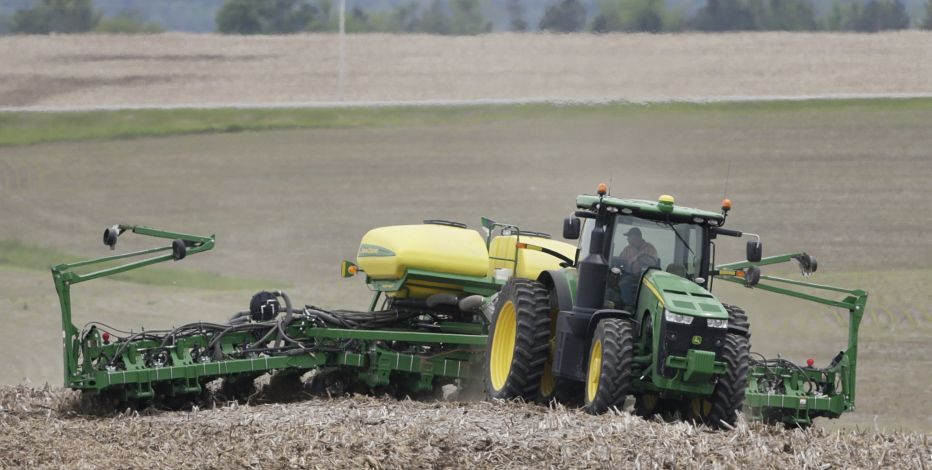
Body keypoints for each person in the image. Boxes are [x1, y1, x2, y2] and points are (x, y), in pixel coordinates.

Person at [617, 227, 658, 308]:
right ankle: (626, 305)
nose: (627, 239)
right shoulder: (627, 249)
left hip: (645, 276)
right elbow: (620, 261)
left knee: (625, 283)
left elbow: (653, 263)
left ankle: (634, 306)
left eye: (629, 236)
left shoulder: (650, 248)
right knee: (620, 282)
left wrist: (639, 258)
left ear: (637, 237)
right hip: (629, 274)